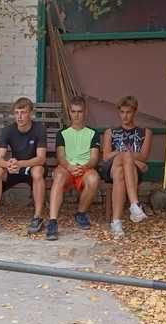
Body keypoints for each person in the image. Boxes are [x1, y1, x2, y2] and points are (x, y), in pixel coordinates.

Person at [0, 97, 47, 235]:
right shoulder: (8, 130)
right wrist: (8, 164)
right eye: (16, 112)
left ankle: (37, 217)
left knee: (38, 172)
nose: (19, 116)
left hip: (31, 166)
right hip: (14, 168)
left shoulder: (39, 129)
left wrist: (20, 163)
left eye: (23, 112)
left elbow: (41, 158)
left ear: (30, 113)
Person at [46, 96, 101, 241]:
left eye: (80, 111)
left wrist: (84, 167)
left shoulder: (93, 133)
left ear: (85, 112)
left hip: (85, 168)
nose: (76, 115)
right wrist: (70, 167)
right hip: (66, 168)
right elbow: (60, 156)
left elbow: (94, 158)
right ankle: (52, 221)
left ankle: (80, 213)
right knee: (58, 177)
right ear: (69, 112)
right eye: (73, 111)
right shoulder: (62, 133)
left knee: (94, 179)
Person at [100, 95, 152, 232]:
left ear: (135, 112)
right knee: (124, 158)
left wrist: (128, 157)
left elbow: (144, 156)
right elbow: (106, 157)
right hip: (111, 167)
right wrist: (126, 155)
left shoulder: (145, 132)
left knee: (120, 173)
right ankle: (134, 204)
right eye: (122, 112)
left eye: (128, 112)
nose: (125, 116)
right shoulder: (110, 132)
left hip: (131, 171)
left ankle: (116, 222)